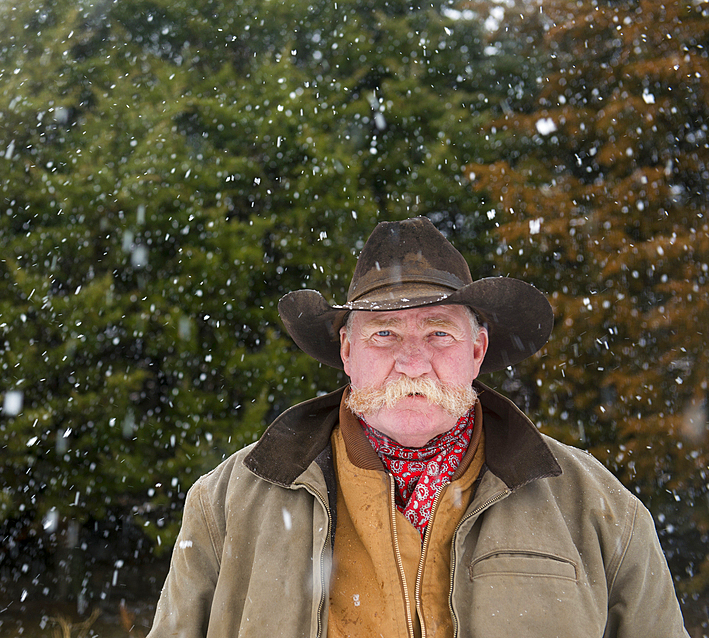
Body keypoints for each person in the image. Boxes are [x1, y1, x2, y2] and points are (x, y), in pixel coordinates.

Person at [147, 216, 690, 638]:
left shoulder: (597, 509)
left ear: (477, 349)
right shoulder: (227, 505)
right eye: (384, 334)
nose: (412, 362)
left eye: (438, 334)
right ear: (346, 350)